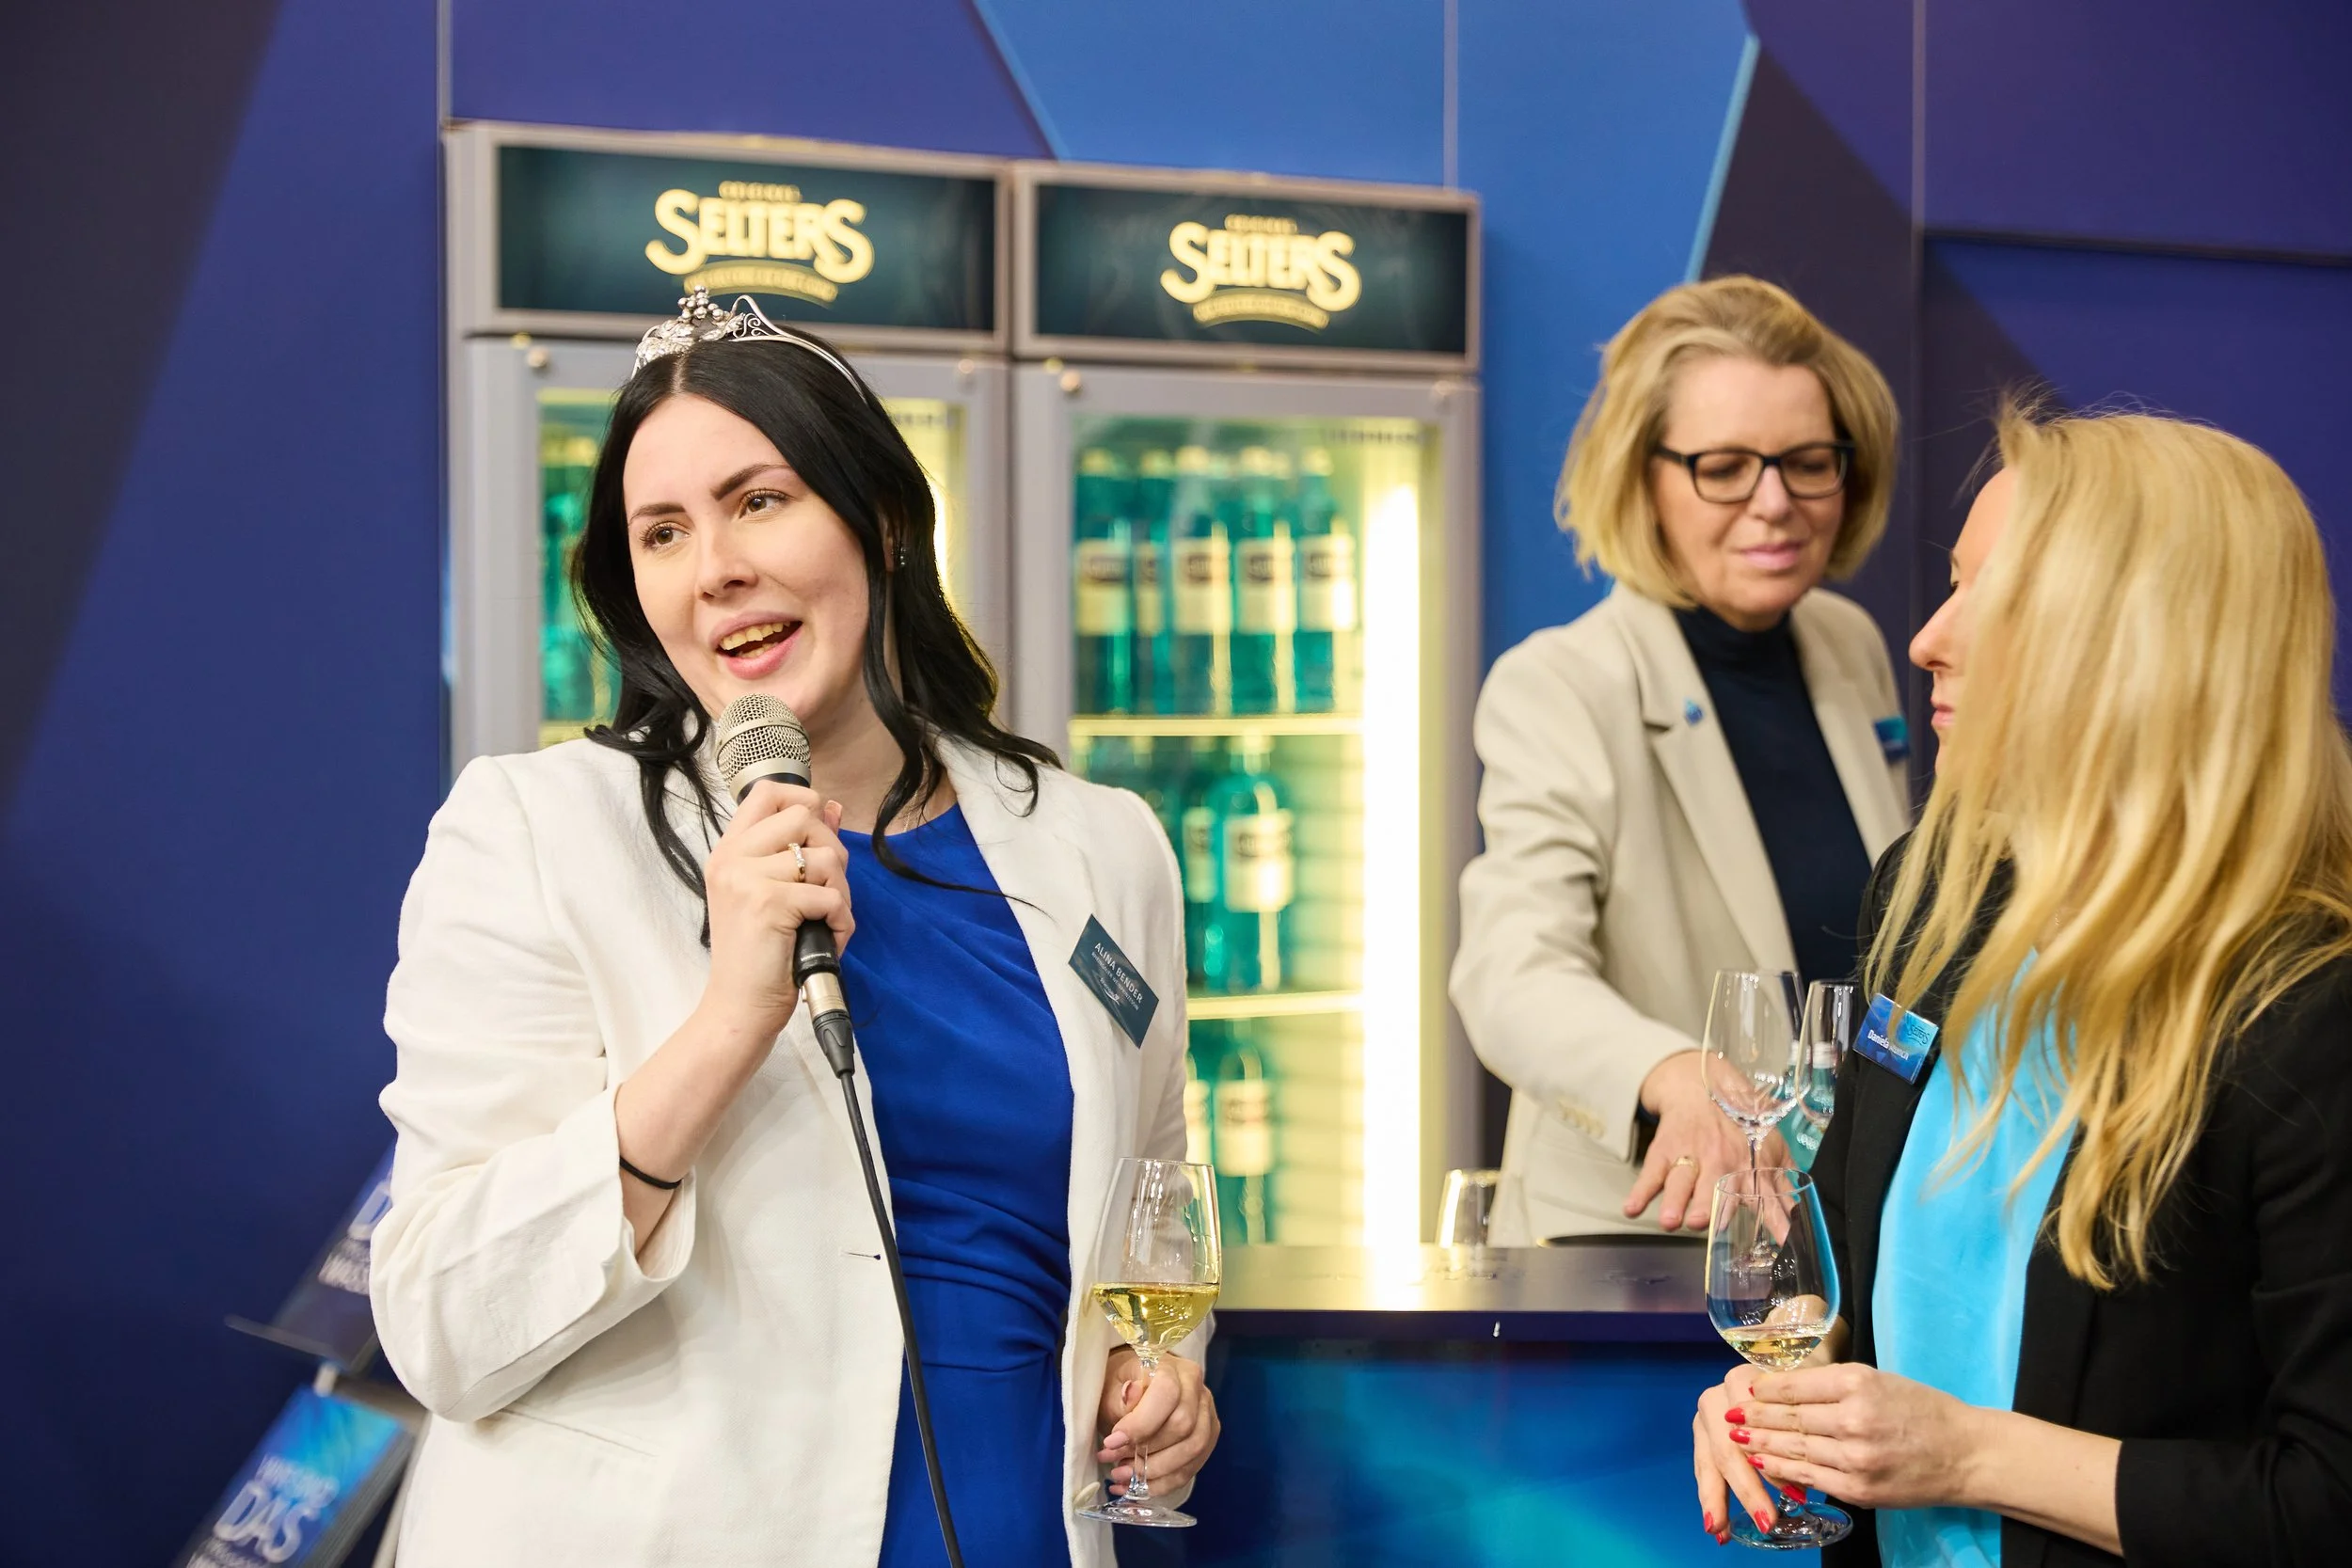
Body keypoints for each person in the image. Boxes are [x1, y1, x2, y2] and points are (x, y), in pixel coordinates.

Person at [370, 294, 1217, 1566]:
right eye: (663, 531)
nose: (714, 564)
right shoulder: (533, 835)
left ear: (878, 520)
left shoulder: (1104, 847)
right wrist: (725, 1021)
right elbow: (440, 1317)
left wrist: (1161, 1369)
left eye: (759, 500)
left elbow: (1153, 1183)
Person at [1692, 407, 2352, 1563]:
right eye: (1948, 587)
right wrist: (1780, 1398)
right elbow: (1848, 1249)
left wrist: (1965, 1455)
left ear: (2138, 649)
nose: (1927, 638)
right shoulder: (1929, 891)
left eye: (1989, 603)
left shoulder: (2306, 1009)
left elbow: (2324, 1495)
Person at [1453, 276, 1911, 1243]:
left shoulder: (1848, 645)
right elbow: (1510, 973)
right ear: (1643, 478)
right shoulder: (1564, 683)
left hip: (1831, 1242)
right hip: (1640, 1248)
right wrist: (1672, 1069)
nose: (1774, 503)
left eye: (1805, 461)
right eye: (1725, 466)